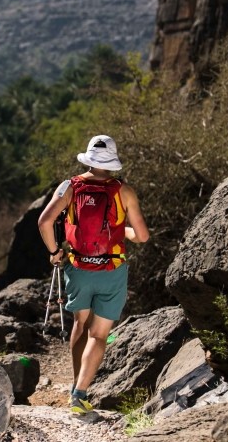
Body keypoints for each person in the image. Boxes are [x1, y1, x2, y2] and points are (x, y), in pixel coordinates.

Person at [37, 134, 150, 417]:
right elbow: (142, 236)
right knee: (99, 335)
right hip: (111, 270)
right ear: (112, 161)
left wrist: (55, 252)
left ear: (88, 158)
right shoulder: (124, 192)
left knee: (80, 322)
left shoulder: (70, 187)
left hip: (79, 268)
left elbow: (45, 222)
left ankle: (74, 383)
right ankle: (80, 393)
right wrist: (122, 231)